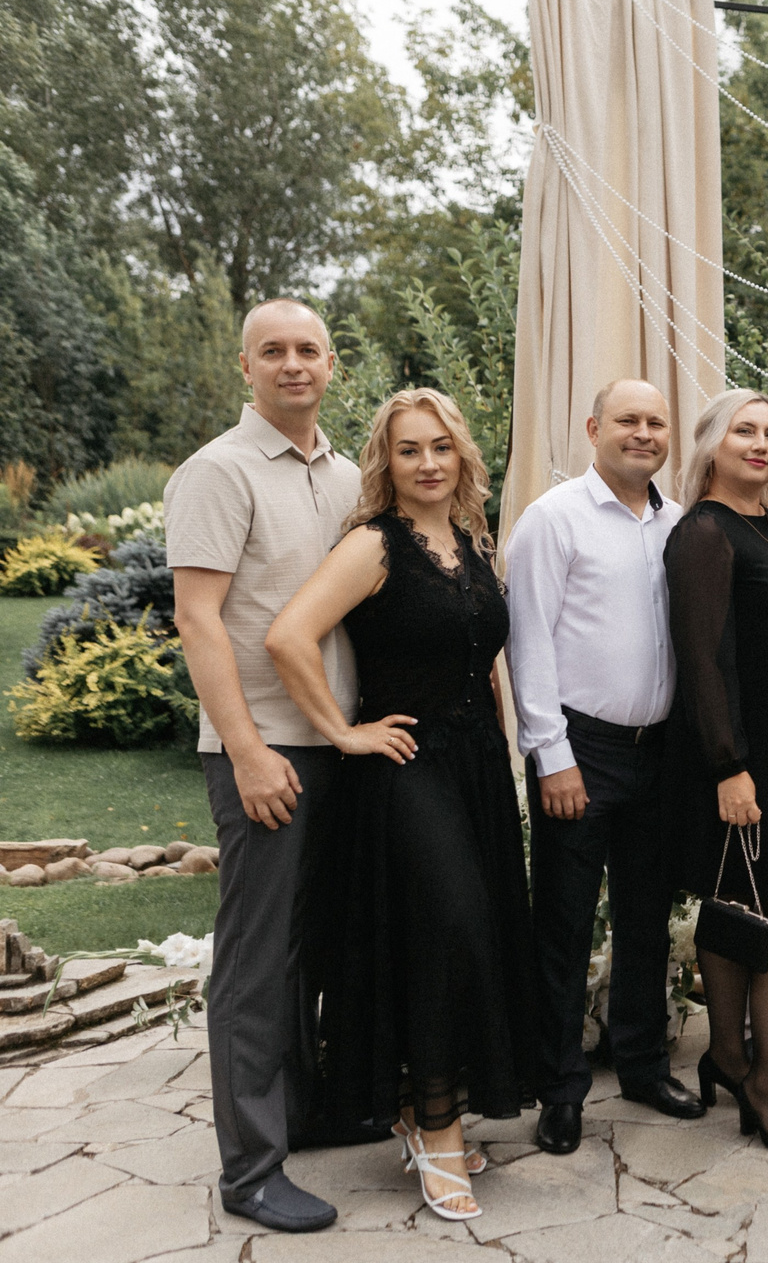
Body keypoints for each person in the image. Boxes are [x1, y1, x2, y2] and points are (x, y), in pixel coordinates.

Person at [267, 388, 537, 1223]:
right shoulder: (373, 545)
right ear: (387, 461)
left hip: (477, 769)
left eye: (441, 447)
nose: (427, 463)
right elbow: (288, 635)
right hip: (406, 768)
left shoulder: (473, 543)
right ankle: (439, 1126)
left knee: (472, 931)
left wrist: (505, 758)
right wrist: (342, 732)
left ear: (462, 456)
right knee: (448, 928)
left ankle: (427, 1116)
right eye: (409, 449)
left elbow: (484, 661)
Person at [166, 298, 360, 1234]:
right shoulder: (218, 470)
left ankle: (302, 1114)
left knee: (310, 948)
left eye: (307, 350)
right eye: (272, 351)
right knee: (254, 962)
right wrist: (244, 750)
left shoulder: (349, 475)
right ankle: (249, 1170)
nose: (293, 364)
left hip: (337, 744)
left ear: (332, 364)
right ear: (244, 366)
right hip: (265, 747)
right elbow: (197, 619)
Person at [504, 379, 705, 1162]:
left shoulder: (677, 523)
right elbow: (529, 641)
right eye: (628, 420)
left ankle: (645, 1065)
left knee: (646, 918)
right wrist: (550, 755)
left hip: (659, 750)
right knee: (562, 922)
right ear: (594, 429)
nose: (644, 433)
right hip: (580, 749)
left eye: (657, 422)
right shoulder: (553, 518)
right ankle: (560, 1090)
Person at [665, 389, 768, 1155]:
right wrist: (728, 766)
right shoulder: (705, 531)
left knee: (753, 900)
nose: (762, 444)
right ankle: (763, 1075)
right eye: (745, 431)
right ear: (712, 444)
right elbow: (703, 657)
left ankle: (728, 1058)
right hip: (739, 755)